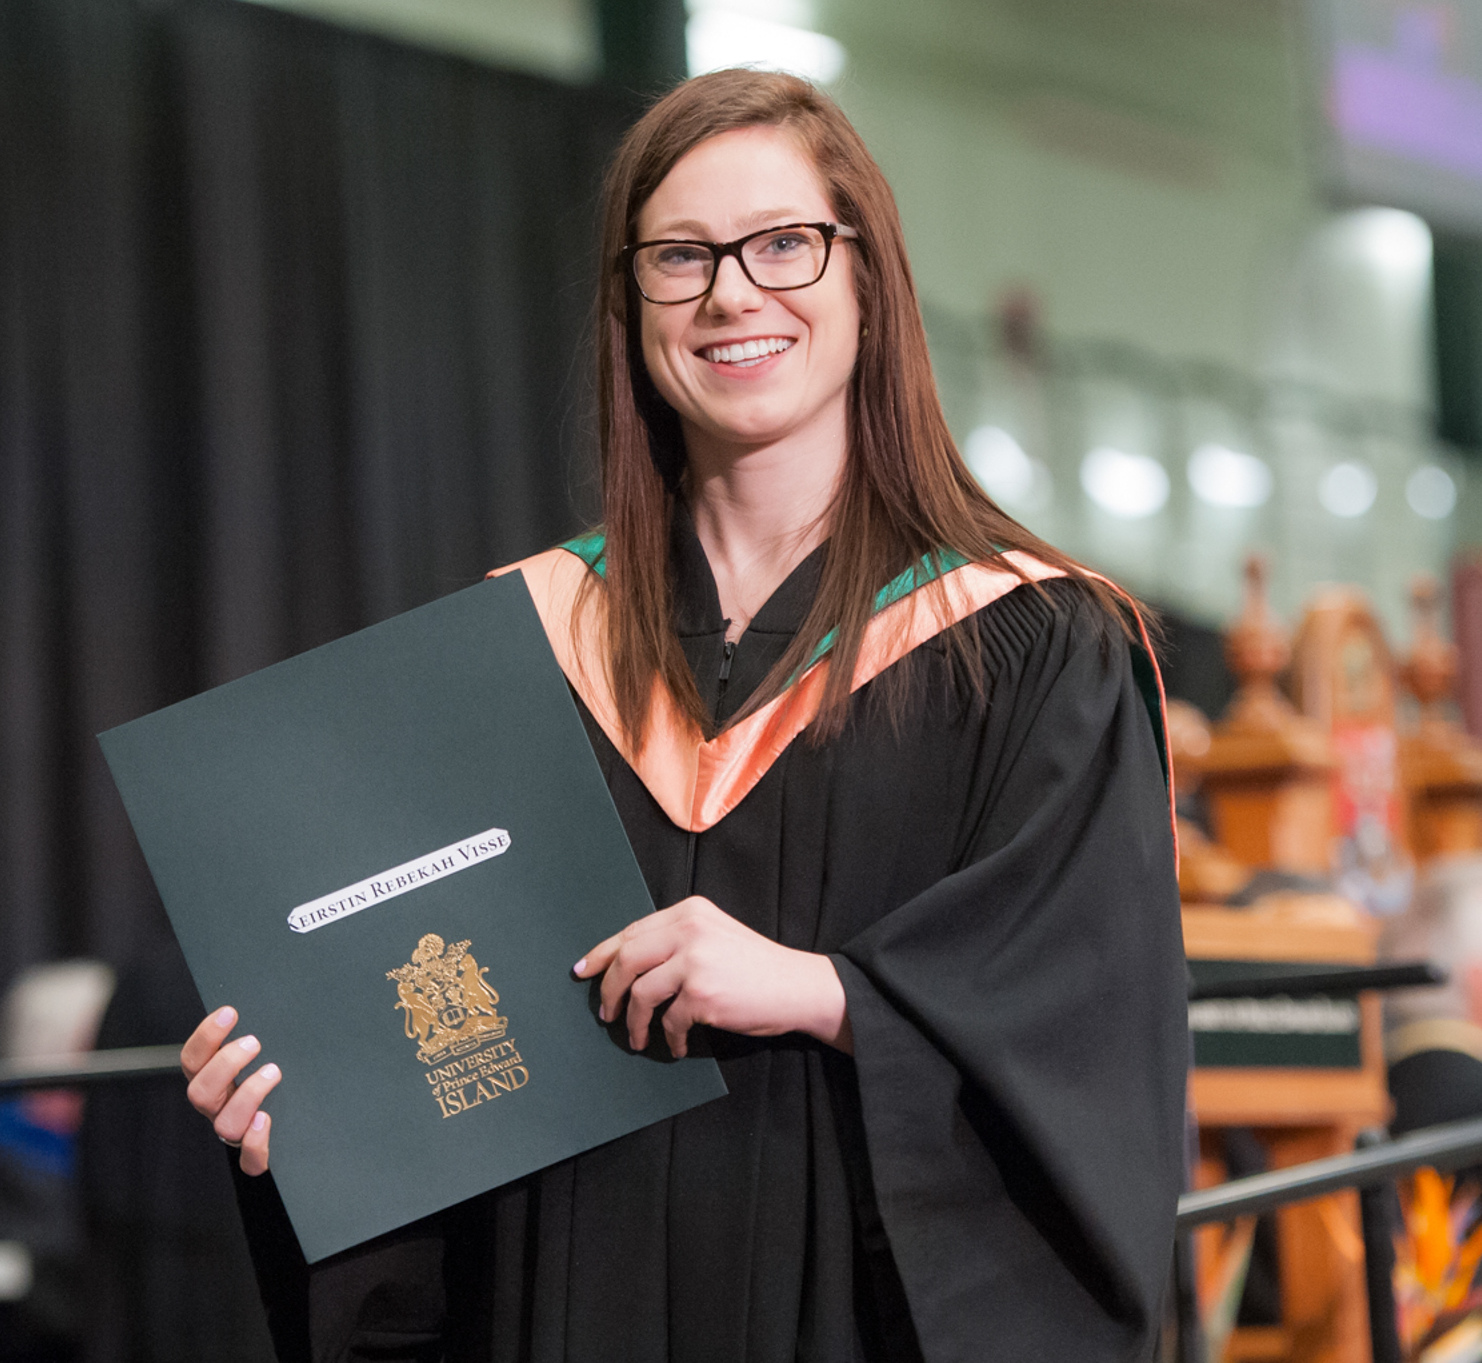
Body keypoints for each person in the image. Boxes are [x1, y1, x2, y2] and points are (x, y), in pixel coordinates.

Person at [180, 68, 1188, 1363]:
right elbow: (441, 1065)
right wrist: (308, 1122)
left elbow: (1092, 1024)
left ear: (867, 278)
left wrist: (826, 993)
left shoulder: (1033, 645)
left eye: (783, 244)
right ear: (629, 305)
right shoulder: (520, 649)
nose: (730, 294)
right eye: (679, 257)